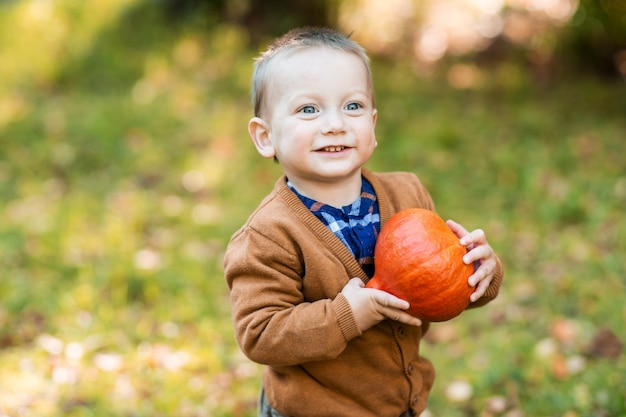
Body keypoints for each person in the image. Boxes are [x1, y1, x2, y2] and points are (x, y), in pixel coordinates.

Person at [223, 27, 504, 417]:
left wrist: (479, 274)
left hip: (399, 402)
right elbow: (260, 334)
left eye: (352, 106)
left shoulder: (408, 194)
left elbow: (433, 284)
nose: (335, 124)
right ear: (265, 137)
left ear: (373, 123)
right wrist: (347, 315)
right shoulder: (268, 236)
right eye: (309, 109)